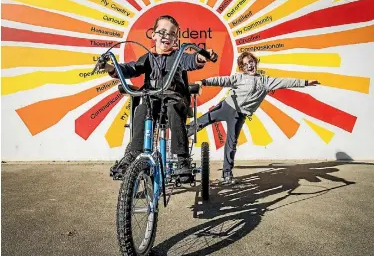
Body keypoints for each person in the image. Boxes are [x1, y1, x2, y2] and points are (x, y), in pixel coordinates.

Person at [99, 15, 217, 181]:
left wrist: (200, 57)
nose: (166, 36)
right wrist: (110, 67)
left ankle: (182, 159)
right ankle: (133, 155)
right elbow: (132, 68)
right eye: (161, 32)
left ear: (176, 38)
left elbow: (191, 61)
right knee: (141, 109)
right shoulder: (148, 57)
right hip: (153, 98)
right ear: (153, 35)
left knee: (173, 108)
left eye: (171, 33)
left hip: (174, 98)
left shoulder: (179, 55)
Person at [188, 51, 320, 184]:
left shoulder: (265, 81)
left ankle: (227, 174)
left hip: (239, 116)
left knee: (231, 143)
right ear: (242, 68)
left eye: (250, 62)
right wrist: (203, 82)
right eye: (245, 65)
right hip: (226, 107)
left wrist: (306, 82)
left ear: (255, 62)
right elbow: (222, 80)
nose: (249, 66)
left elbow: (285, 82)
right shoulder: (239, 78)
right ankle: (180, 140)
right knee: (201, 122)